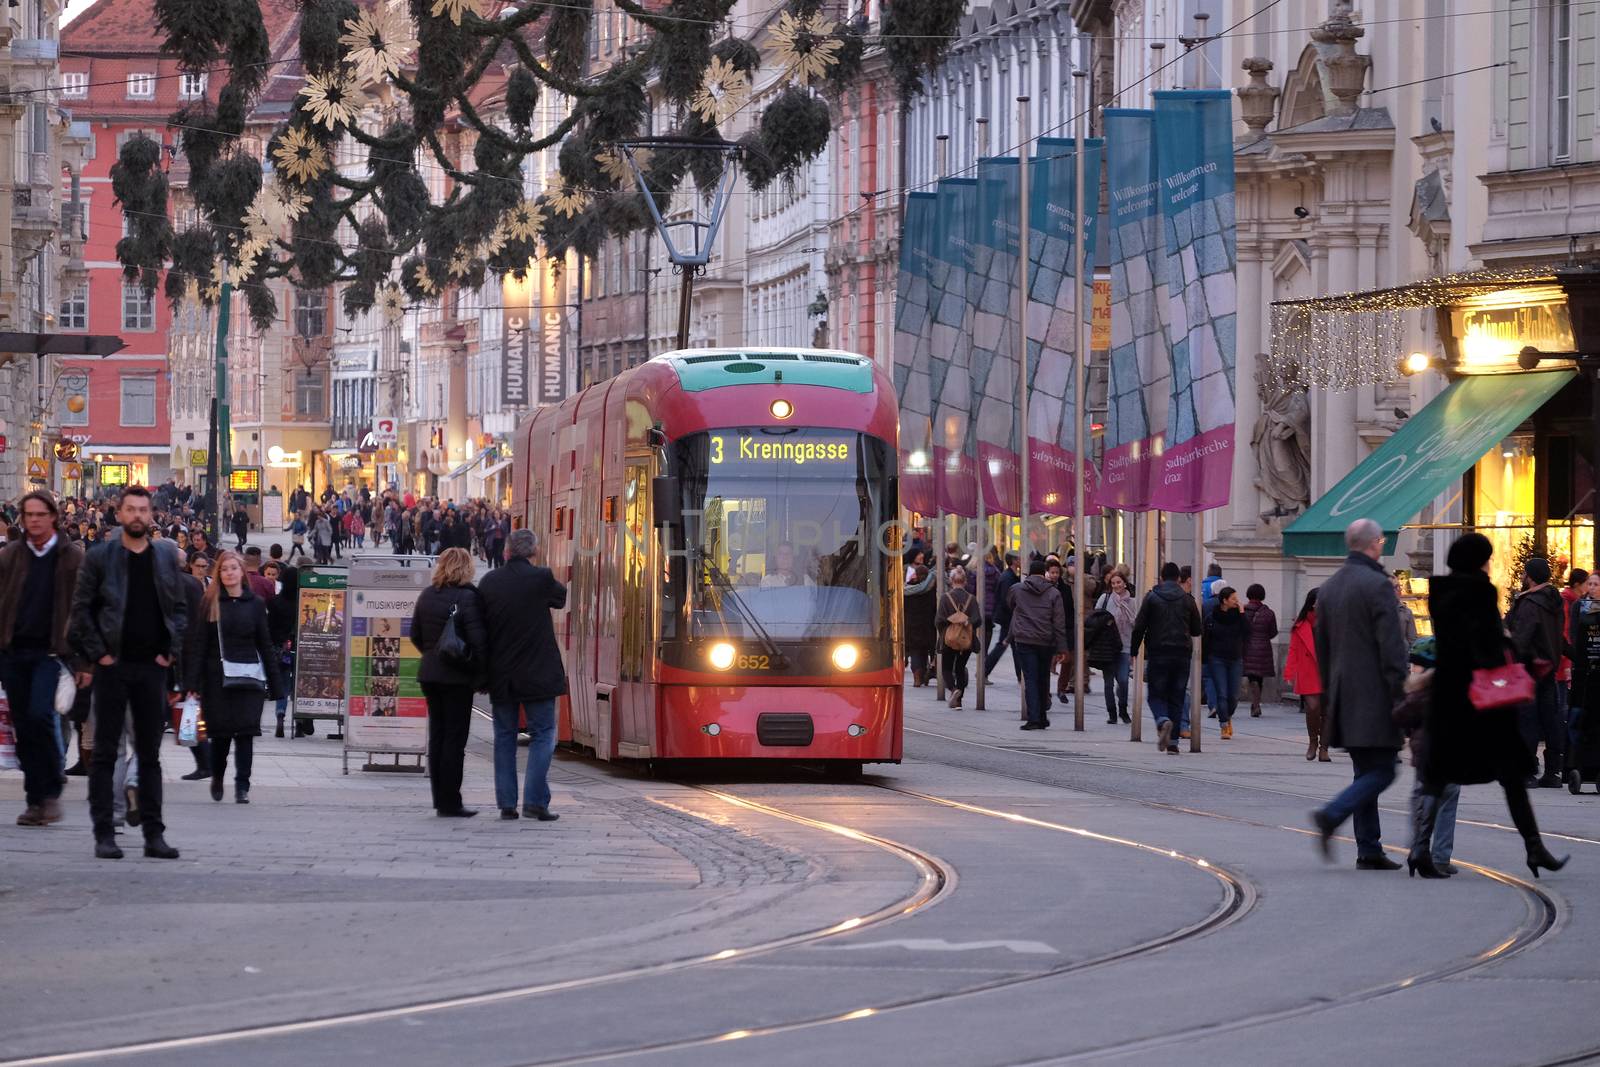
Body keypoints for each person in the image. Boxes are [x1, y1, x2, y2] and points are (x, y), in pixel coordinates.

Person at [1411, 533, 1568, 879]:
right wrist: (1520, 657)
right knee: (1512, 774)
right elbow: (1486, 643)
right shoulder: (1481, 591)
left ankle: (1420, 849)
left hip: (1448, 694)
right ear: (1478, 560)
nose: (1490, 563)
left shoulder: (1440, 591)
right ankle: (1534, 847)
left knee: (1439, 772)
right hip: (1481, 697)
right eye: (1487, 557)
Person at [71, 486, 189, 860]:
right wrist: (98, 655)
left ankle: (154, 834)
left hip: (151, 669)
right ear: (119, 514)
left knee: (150, 754)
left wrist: (170, 652)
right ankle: (105, 832)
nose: (137, 515)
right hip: (112, 666)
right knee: (106, 752)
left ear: (151, 515)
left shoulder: (163, 558)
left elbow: (180, 610)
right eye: (131, 509)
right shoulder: (100, 558)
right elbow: (81, 611)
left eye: (143, 509)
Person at [1310, 518, 1407, 871]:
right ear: (1375, 544)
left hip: (1342, 693)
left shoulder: (1330, 587)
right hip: (1375, 694)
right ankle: (1332, 814)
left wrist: (1328, 690)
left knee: (1365, 770)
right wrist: (1401, 693)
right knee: (1385, 770)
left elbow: (1322, 646)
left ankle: (1369, 848)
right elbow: (1391, 647)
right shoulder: (1377, 584)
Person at [0, 491, 88, 826]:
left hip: (51, 653)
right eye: (28, 515)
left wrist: (84, 661)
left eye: (39, 514)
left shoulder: (71, 558)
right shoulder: (11, 556)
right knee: (23, 726)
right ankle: (35, 799)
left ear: (53, 516)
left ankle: (50, 788)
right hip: (14, 652)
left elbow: (85, 611)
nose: (33, 520)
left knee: (40, 716)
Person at [478, 529, 568, 821]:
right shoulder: (541, 578)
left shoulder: (490, 582)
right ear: (533, 552)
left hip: (502, 673)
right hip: (537, 673)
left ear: (506, 552)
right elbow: (560, 598)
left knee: (503, 737)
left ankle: (507, 804)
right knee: (543, 734)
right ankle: (535, 801)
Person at [182, 550, 283, 805]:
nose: (229, 573)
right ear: (219, 574)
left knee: (246, 733)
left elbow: (265, 643)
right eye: (224, 569)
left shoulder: (256, 604)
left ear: (242, 572)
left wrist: (276, 683)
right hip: (217, 679)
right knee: (222, 735)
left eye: (233, 568)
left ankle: (242, 787)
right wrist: (192, 684)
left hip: (249, 677)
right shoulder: (211, 602)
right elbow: (199, 644)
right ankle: (217, 776)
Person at [410, 547, 489, 817]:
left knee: (438, 736)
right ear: (466, 568)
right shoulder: (468, 598)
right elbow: (479, 642)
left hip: (430, 675)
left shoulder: (427, 595)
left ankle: (440, 799)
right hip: (456, 678)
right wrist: (479, 672)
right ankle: (451, 801)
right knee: (455, 740)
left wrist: (432, 654)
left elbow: (416, 635)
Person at [1130, 562, 1201, 754]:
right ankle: (1173, 743)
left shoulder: (1152, 597)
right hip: (1182, 654)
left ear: (1161, 577)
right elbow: (1197, 629)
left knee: (1156, 693)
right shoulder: (1187, 600)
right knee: (1177, 696)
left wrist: (1134, 650)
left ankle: (1162, 720)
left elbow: (1139, 626)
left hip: (1158, 652)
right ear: (1179, 578)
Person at [1506, 556, 1565, 787]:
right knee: (1550, 718)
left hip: (1529, 668)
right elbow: (1558, 634)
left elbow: (1522, 637)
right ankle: (1553, 772)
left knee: (1527, 719)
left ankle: (1528, 771)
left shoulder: (1530, 603)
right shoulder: (1553, 600)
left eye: (1524, 573)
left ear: (1529, 576)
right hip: (1549, 667)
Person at [1009, 559, 1067, 730]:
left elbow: (1008, 604)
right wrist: (1062, 647)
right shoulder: (1054, 593)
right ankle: (1042, 716)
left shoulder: (1017, 589)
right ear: (1044, 573)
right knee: (1043, 678)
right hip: (1045, 640)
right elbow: (1059, 622)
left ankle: (1034, 717)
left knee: (1031, 678)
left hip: (1025, 639)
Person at [1284, 589, 1328, 761]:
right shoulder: (1301, 624)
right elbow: (1293, 649)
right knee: (1313, 707)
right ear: (1313, 603)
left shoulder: (1334, 621)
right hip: (1309, 670)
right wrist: (1289, 672)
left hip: (1329, 670)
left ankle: (1324, 748)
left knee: (1328, 711)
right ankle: (1312, 742)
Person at [1091, 568, 1136, 725]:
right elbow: (1094, 619)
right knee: (1108, 682)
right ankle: (1112, 713)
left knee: (1123, 680)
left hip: (1124, 646)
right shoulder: (1105, 598)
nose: (1116, 585)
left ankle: (1123, 709)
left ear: (1125, 583)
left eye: (1119, 582)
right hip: (1107, 647)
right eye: (1113, 583)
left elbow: (1136, 624)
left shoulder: (1132, 602)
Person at [1203, 586, 1247, 739]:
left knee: (1233, 695)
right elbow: (1206, 639)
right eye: (1233, 599)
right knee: (1222, 693)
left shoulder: (1239, 617)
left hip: (1235, 658)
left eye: (1237, 598)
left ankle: (1228, 716)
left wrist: (1242, 613)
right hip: (1217, 659)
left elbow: (1248, 632)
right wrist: (1204, 659)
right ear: (1224, 601)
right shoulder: (1212, 617)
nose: (1237, 601)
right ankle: (1223, 723)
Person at [935, 565, 978, 709]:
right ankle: (959, 701)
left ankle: (954, 690)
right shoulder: (971, 599)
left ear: (951, 580)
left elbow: (939, 620)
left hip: (949, 639)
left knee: (946, 668)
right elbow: (978, 620)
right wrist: (966, 622)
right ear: (965, 581)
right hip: (966, 640)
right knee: (960, 667)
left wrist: (950, 623)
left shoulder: (945, 598)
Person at [1241, 584, 1278, 717]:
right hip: (1263, 647)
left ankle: (1254, 698)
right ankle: (1256, 703)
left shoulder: (1242, 611)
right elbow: (1273, 632)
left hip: (1247, 647)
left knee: (1252, 675)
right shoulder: (1268, 613)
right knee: (1259, 676)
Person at [984, 553, 1022, 681]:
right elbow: (1007, 599)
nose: (1021, 560)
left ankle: (1020, 675)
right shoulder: (1007, 577)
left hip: (1009, 617)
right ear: (1014, 561)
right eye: (1019, 558)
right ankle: (984, 670)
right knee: (1003, 644)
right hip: (1008, 617)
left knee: (1014, 646)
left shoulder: (1010, 576)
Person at [903, 563, 936, 688]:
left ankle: (917, 677)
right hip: (928, 625)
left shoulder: (908, 589)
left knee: (916, 651)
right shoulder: (932, 591)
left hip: (912, 626)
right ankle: (930, 672)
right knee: (927, 649)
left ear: (916, 575)